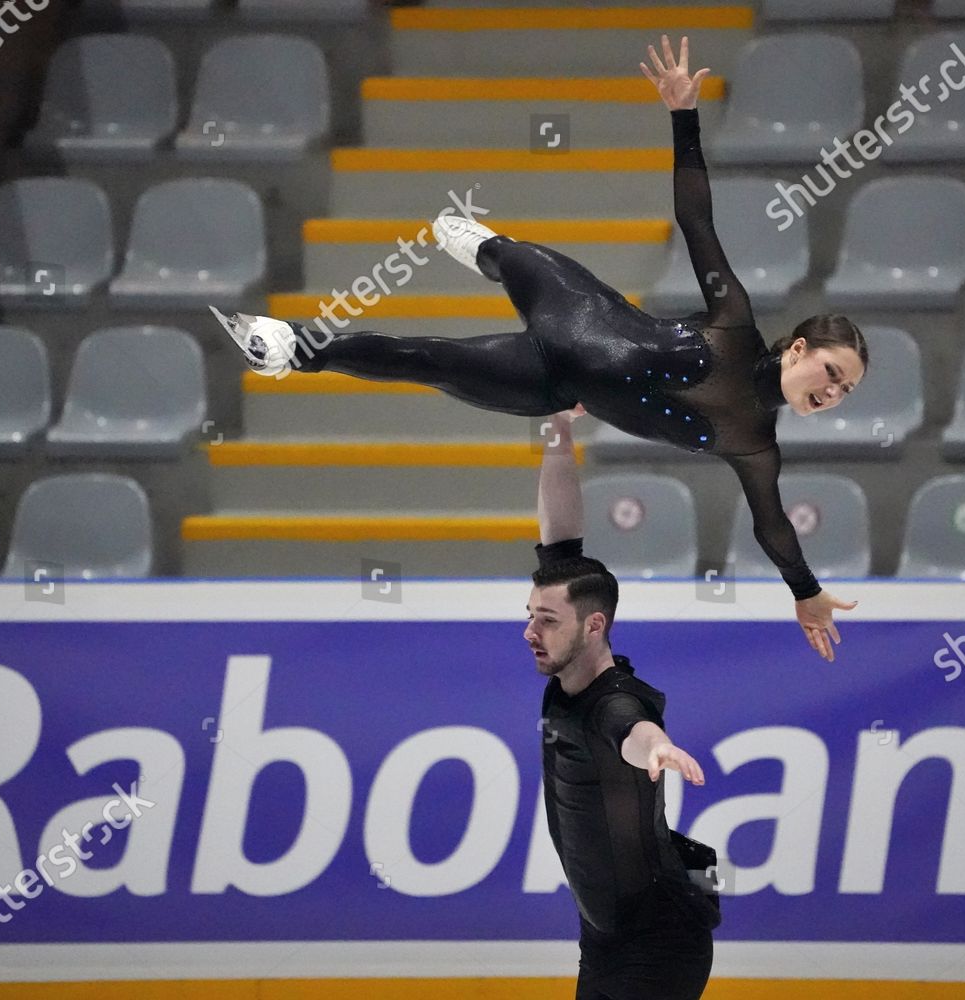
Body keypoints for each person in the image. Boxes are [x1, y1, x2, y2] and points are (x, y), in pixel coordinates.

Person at [214, 35, 862, 660]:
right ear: (799, 348)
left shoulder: (754, 446)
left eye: (844, 392)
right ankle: (480, 246)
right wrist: (684, 116)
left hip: (551, 381)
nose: (832, 393)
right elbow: (697, 222)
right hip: (580, 307)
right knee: (510, 256)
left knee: (432, 361)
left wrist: (805, 593)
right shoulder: (735, 322)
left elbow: (772, 527)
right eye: (832, 373)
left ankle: (294, 351)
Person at [530, 404, 717, 1000]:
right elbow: (560, 539)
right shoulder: (571, 661)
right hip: (605, 938)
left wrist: (658, 748)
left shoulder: (614, 702)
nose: (530, 632)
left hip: (658, 944)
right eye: (529, 616)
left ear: (594, 627)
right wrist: (560, 435)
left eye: (546, 621)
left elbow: (631, 730)